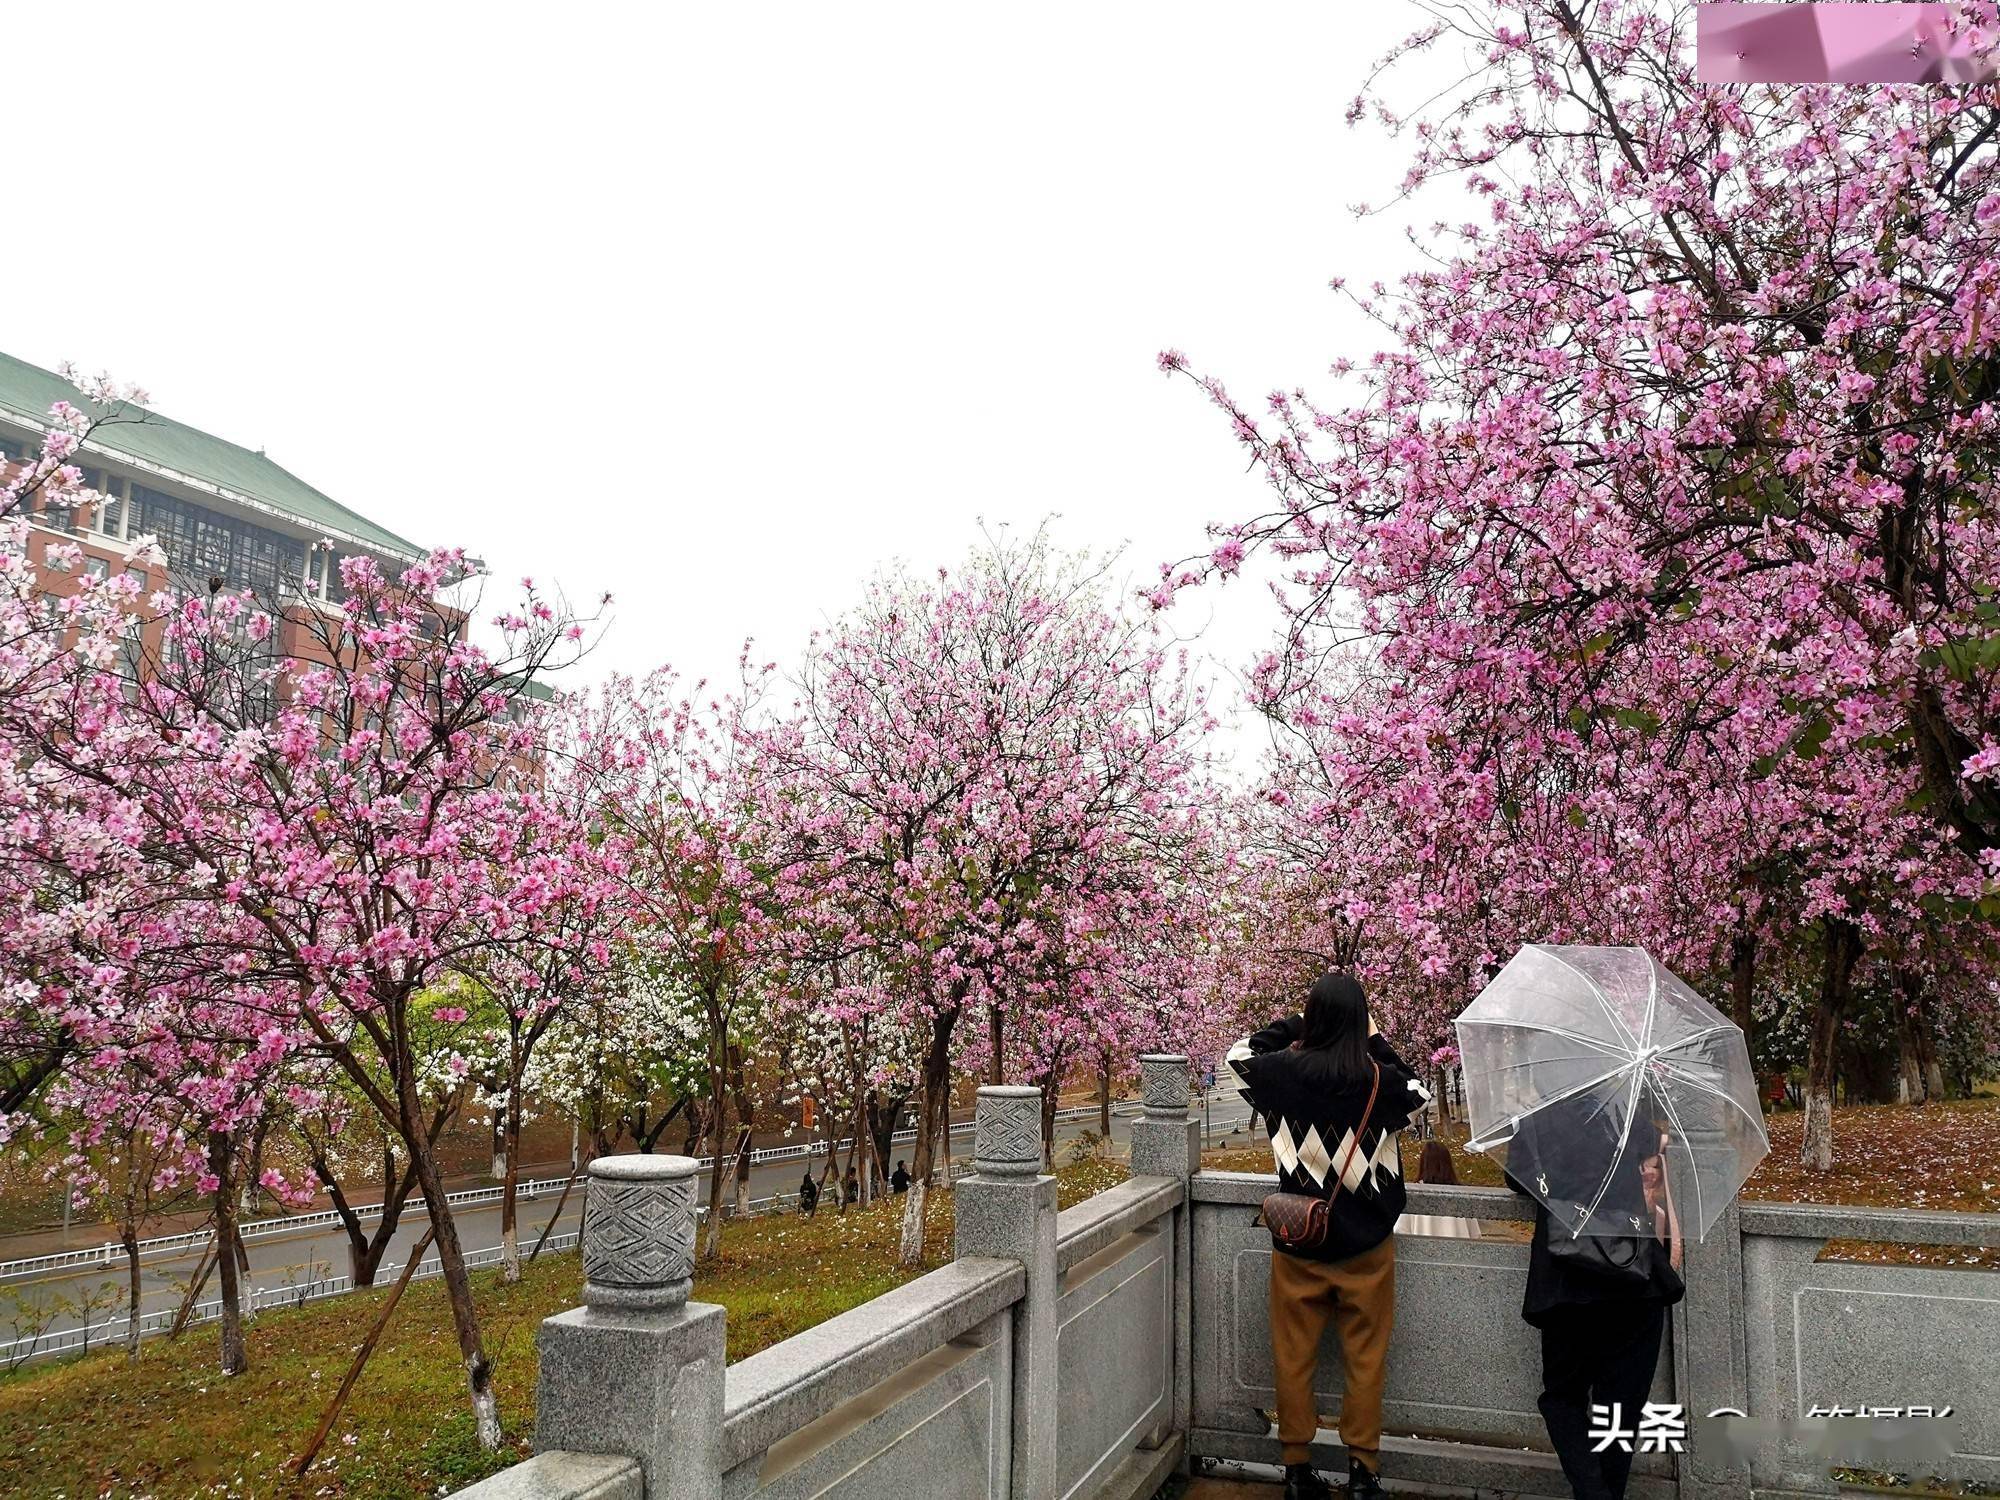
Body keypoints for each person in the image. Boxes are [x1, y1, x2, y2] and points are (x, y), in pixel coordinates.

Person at [1228, 972, 1430, 1500]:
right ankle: (1363, 1471)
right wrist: (1373, 1037)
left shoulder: (1276, 1074)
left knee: (1294, 1355)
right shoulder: (1378, 1081)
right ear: (1360, 1024)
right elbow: (1419, 1090)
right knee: (1365, 1357)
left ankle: (1296, 1469)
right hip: (1365, 1244)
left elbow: (1237, 1054)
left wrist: (1296, 1023)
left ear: (1313, 1019)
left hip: (1298, 1241)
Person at [1503, 1103, 1685, 1500]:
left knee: (1562, 1398)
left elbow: (1516, 1179)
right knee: (1619, 1411)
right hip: (1633, 1279)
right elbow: (1656, 1147)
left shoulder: (1537, 1117)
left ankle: (1592, 1491)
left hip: (1566, 1282)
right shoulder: (1623, 1107)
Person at [1396, 1141, 1479, 1239]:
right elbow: (1475, 1234)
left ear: (1423, 1164)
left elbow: (1400, 1230)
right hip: (1457, 1251)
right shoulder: (1463, 1194)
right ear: (1448, 1163)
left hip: (1422, 1251)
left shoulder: (1413, 1194)